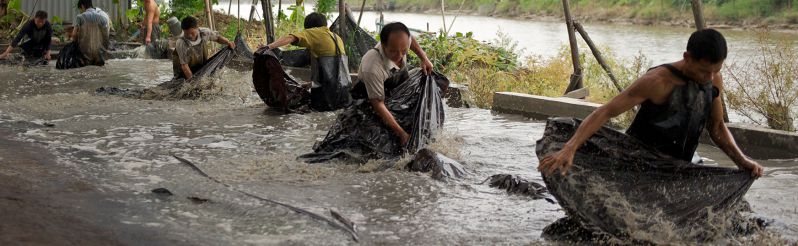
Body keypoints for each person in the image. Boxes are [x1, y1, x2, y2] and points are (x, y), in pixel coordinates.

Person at [538, 29, 763, 178]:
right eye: (704, 70)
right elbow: (605, 112)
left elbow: (717, 128)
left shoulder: (713, 79)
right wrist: (570, 148)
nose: (709, 77)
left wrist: (742, 161)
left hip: (677, 166)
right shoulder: (657, 81)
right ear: (687, 58)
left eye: (716, 70)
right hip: (639, 162)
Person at [352, 22, 434, 146]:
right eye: (394, 52)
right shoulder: (372, 67)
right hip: (370, 95)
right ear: (384, 46)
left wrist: (424, 58)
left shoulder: (400, 42)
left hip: (396, 79)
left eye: (404, 51)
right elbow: (378, 104)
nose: (400, 56)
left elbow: (410, 40)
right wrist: (401, 133)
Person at [261, 12, 352, 111]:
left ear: (309, 27)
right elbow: (334, 73)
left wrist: (268, 47)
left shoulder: (313, 32)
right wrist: (310, 84)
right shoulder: (336, 37)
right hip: (344, 94)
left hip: (325, 96)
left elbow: (290, 38)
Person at [73, 0, 111, 66]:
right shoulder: (103, 18)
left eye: (80, 9)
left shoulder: (80, 17)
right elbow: (106, 36)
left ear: (82, 6)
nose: (81, 11)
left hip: (84, 53)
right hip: (99, 54)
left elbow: (74, 34)